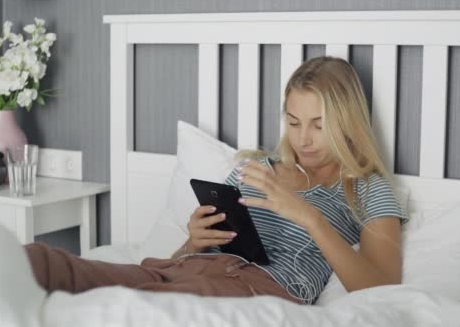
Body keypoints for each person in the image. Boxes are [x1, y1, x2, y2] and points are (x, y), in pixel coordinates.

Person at [24, 56, 408, 305]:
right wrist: (194, 240)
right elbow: (183, 260)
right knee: (44, 263)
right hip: (181, 271)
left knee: (131, 306)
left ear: (346, 121)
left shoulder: (367, 188)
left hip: (254, 289)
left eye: (318, 126)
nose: (302, 138)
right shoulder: (256, 167)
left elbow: (382, 286)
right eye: (293, 122)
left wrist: (310, 217)